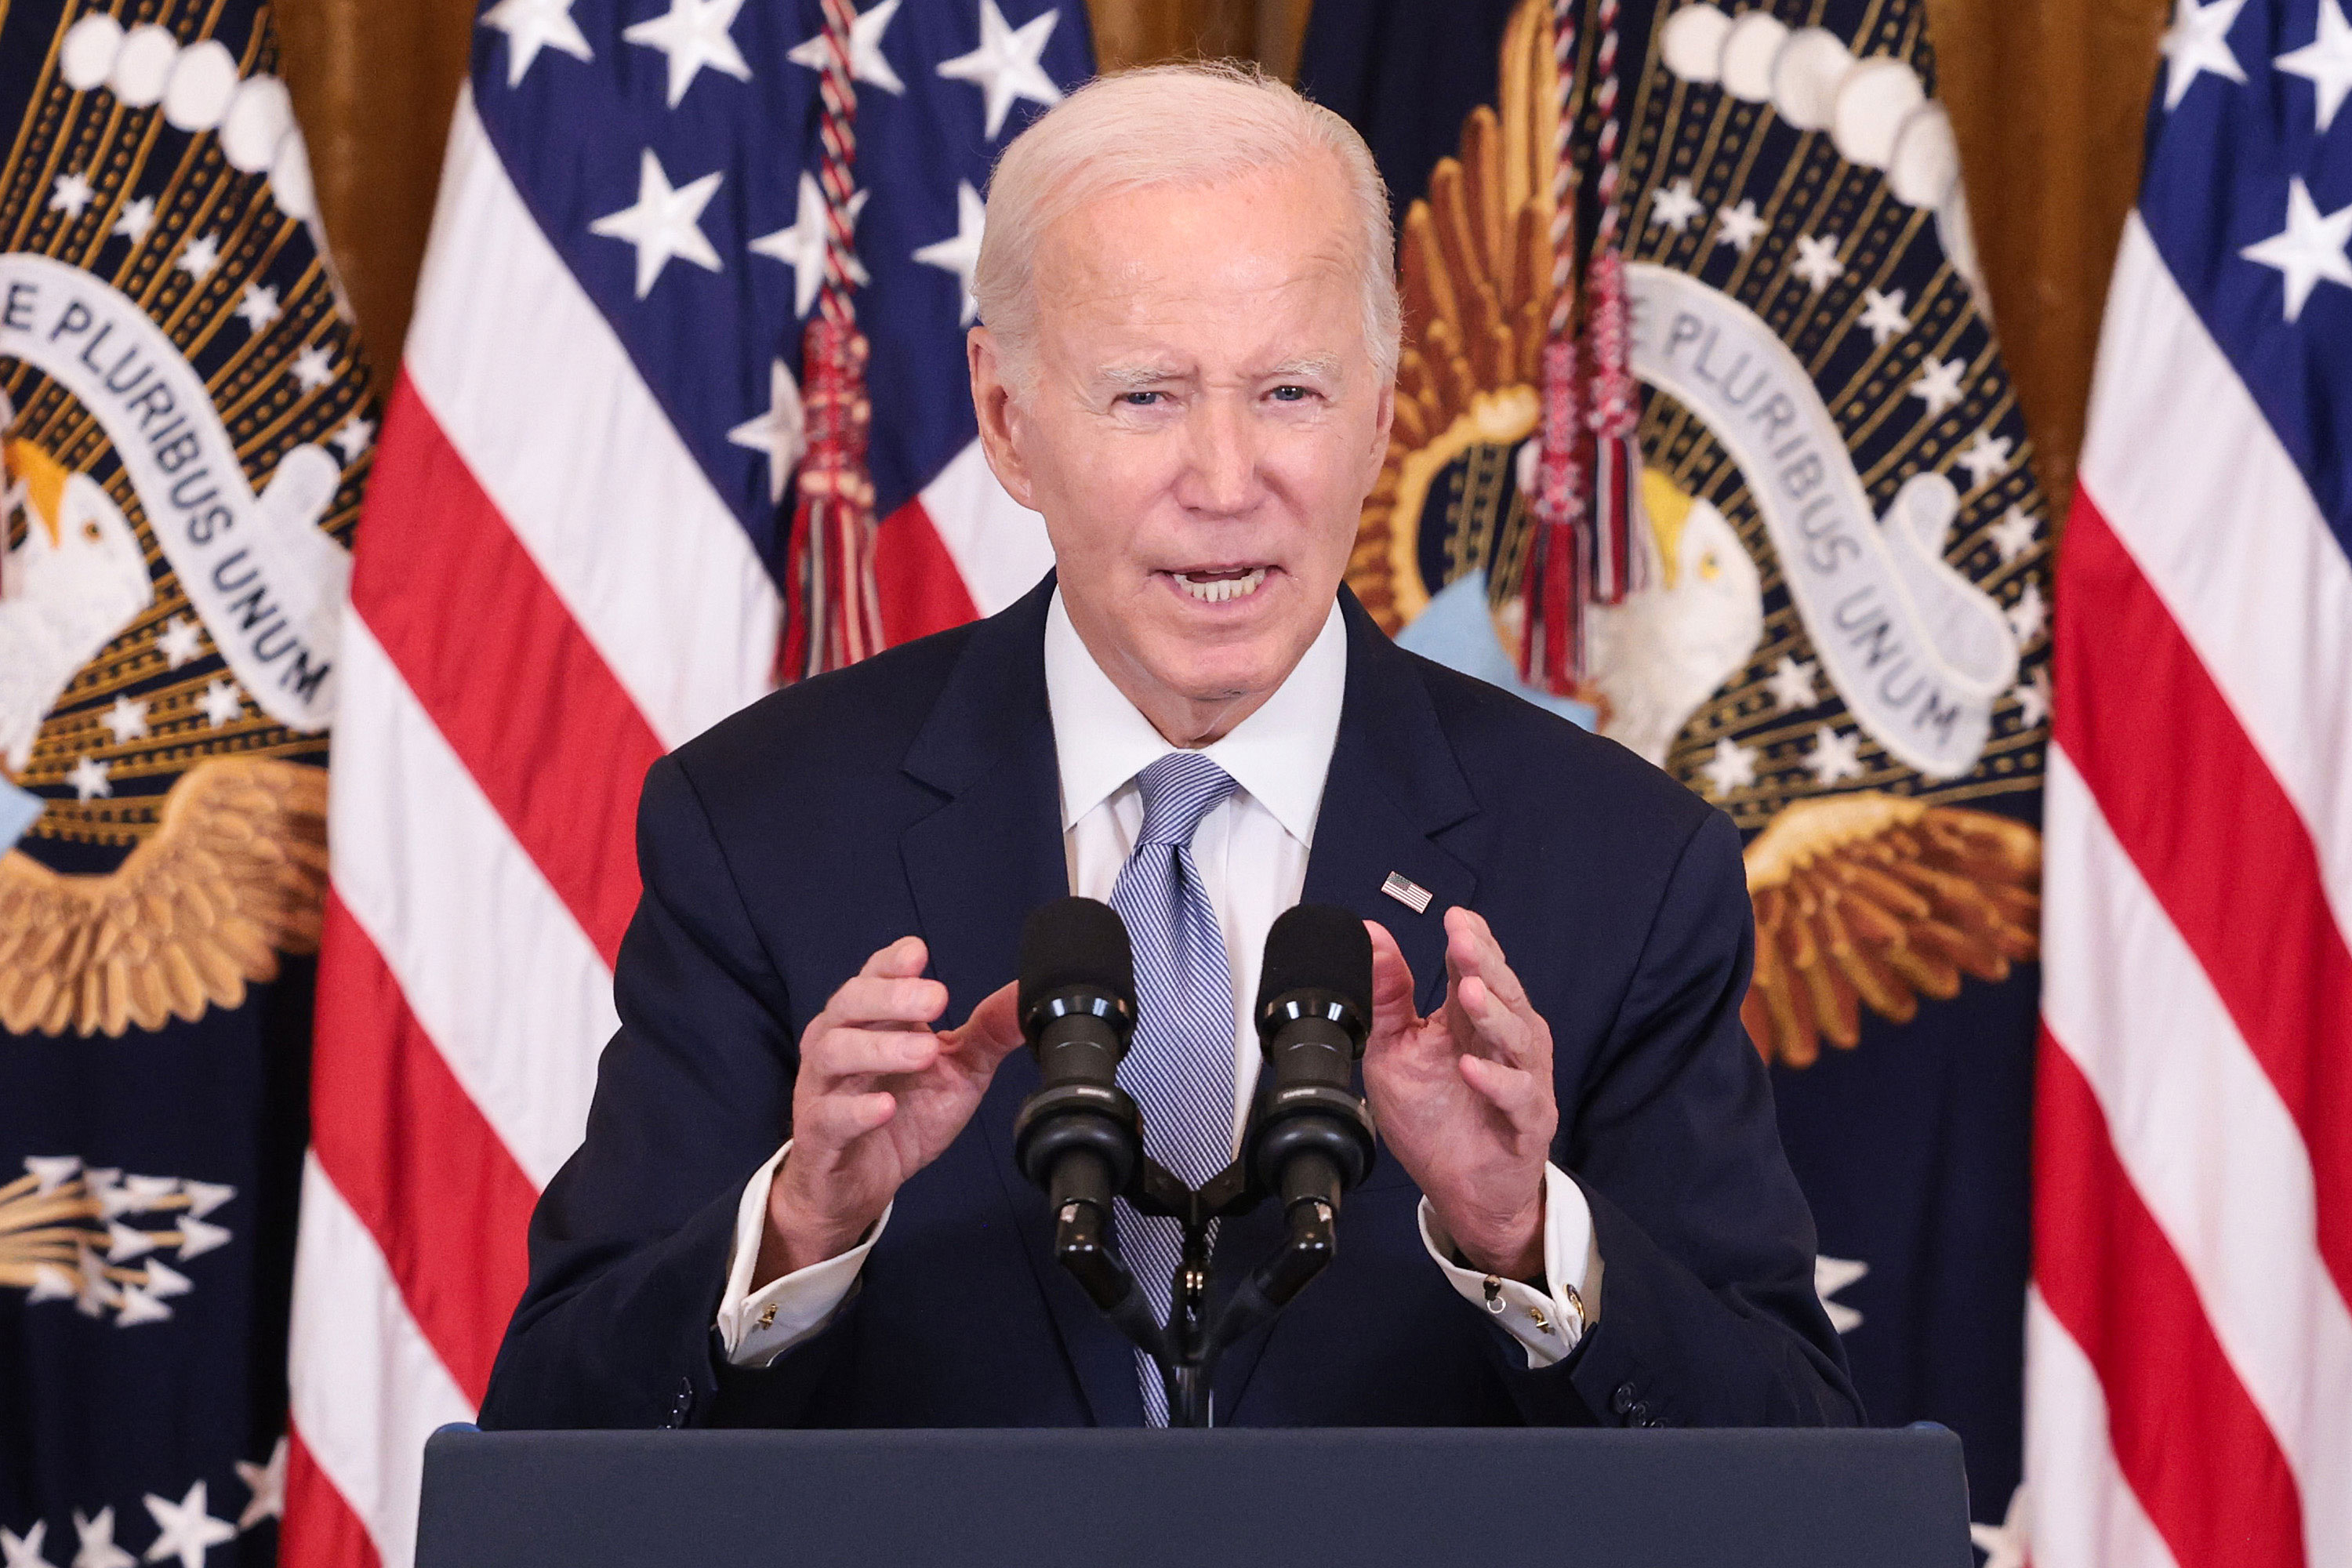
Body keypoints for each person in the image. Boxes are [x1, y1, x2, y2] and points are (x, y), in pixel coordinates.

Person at [478, 63, 1858, 1432]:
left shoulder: (1622, 866)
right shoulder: (764, 831)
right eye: (1146, 396)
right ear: (1008, 419)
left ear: (1381, 408)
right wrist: (794, 1234)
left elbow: (1803, 1480)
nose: (1224, 478)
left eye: (1290, 394)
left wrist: (1525, 1240)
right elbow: (552, 1442)